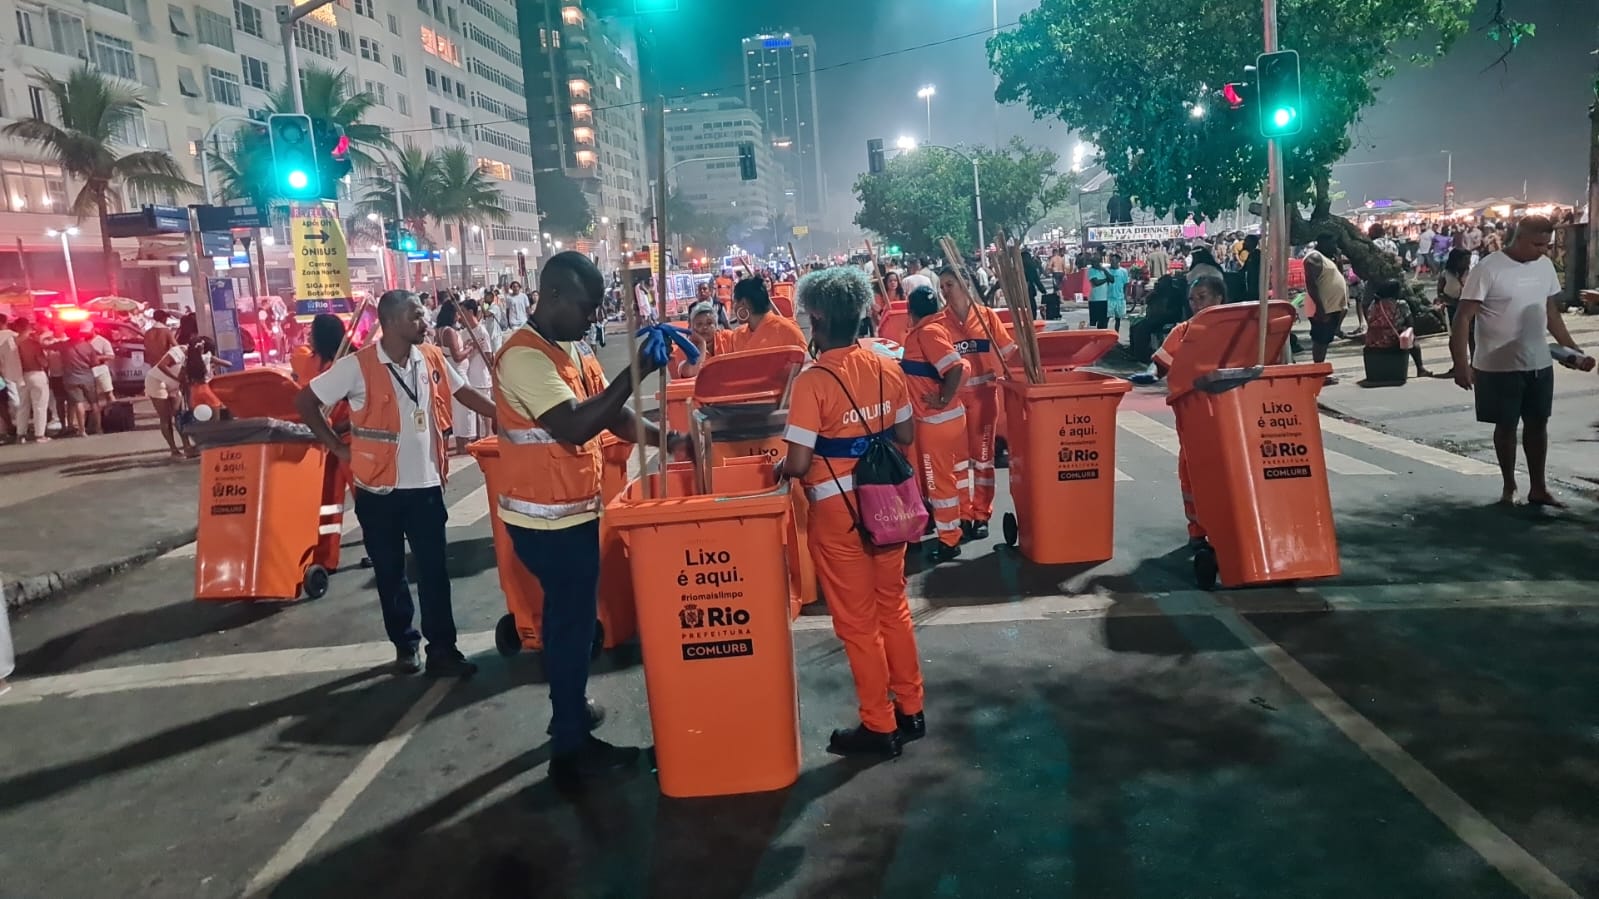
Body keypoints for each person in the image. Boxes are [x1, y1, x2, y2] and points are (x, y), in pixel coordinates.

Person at [492, 252, 680, 783]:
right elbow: (575, 426)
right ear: (551, 296)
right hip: (546, 524)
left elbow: (610, 415)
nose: (593, 318)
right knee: (573, 628)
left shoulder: (567, 348)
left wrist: (669, 437)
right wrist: (634, 373)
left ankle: (568, 712)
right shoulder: (524, 359)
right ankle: (572, 749)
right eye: (586, 306)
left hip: (568, 513)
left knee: (567, 624)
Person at [295, 290, 497, 677]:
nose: (424, 323)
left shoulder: (431, 357)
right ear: (389, 323)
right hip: (378, 490)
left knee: (435, 573)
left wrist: (503, 412)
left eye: (422, 316)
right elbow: (306, 402)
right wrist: (337, 447)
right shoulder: (358, 366)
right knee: (390, 573)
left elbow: (463, 392)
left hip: (425, 487)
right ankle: (405, 644)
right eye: (415, 317)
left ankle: (443, 649)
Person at [780, 266, 924, 758]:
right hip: (887, 510)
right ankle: (911, 708)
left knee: (859, 625)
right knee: (894, 608)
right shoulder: (887, 365)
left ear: (818, 318)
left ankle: (879, 726)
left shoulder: (812, 382)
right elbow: (904, 436)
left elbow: (799, 464)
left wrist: (789, 461)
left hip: (839, 519)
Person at [1449, 216, 1591, 507]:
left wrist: (1573, 350)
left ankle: (1538, 487)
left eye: (1546, 244)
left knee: (1538, 425)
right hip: (1497, 365)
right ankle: (1509, 485)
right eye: (1537, 244)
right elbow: (1463, 317)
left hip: (1538, 363)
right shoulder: (1488, 269)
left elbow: (1551, 313)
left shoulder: (1544, 266)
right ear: (1519, 238)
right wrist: (1461, 363)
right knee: (1505, 426)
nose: (1543, 250)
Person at [938, 265, 1017, 541]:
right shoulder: (940, 323)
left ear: (966, 284)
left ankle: (982, 513)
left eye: (950, 284)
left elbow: (1010, 354)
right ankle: (964, 514)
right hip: (955, 404)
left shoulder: (987, 318)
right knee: (958, 464)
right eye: (943, 285)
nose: (945, 290)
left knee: (983, 460)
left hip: (985, 398)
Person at [1154, 275, 1227, 546]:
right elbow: (1160, 364)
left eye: (1203, 297)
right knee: (1192, 468)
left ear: (1219, 298)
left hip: (1230, 412)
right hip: (1192, 413)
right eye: (1192, 299)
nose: (1197, 304)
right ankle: (1197, 527)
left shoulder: (1238, 327)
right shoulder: (1182, 332)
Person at [899, 284, 968, 563]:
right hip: (944, 419)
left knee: (938, 483)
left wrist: (942, 398)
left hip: (936, 420)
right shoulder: (933, 329)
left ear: (910, 311)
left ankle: (950, 540)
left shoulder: (927, 333)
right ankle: (952, 526)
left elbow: (955, 367)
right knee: (947, 478)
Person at [1301, 234, 1350, 383]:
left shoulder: (1327, 259)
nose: (1335, 247)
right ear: (1322, 243)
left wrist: (1338, 259)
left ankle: (1321, 372)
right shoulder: (1314, 258)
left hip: (1331, 306)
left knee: (1325, 340)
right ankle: (1319, 374)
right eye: (1332, 243)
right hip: (1322, 307)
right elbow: (1312, 285)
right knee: (1320, 340)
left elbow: (1339, 276)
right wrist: (1320, 307)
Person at [433, 300, 479, 454]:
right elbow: (457, 356)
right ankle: (463, 445)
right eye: (457, 313)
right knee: (464, 410)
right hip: (457, 371)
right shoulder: (449, 332)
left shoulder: (440, 330)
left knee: (459, 410)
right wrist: (469, 348)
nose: (459, 316)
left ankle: (462, 444)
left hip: (452, 371)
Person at [726, 277, 806, 354]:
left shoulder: (787, 331)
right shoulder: (789, 330)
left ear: (744, 303)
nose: (734, 307)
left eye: (735, 302)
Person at [673, 302, 731, 379]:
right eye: (699, 324)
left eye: (709, 323)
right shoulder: (683, 349)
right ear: (692, 328)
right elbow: (691, 373)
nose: (705, 327)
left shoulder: (728, 337)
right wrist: (702, 344)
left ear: (716, 326)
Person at [0, 315, 21, 443]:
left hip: (5, 373)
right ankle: (18, 426)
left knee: (9, 402)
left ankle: (12, 427)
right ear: (6, 322)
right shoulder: (13, 335)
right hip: (20, 371)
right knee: (18, 400)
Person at [1106, 254, 1130, 333]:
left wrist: (1125, 296)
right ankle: (1105, 333)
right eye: (1111, 261)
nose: (1112, 262)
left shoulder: (1123, 271)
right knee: (1107, 318)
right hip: (1109, 298)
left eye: (1113, 261)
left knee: (1118, 319)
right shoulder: (1107, 271)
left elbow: (1126, 284)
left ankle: (1116, 334)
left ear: (1118, 261)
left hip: (1119, 298)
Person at [1086, 256, 1111, 329]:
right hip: (1095, 299)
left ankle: (1103, 336)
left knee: (1104, 321)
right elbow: (1096, 282)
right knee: (1094, 321)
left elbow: (1112, 279)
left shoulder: (1104, 270)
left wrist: (1104, 270)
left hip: (1105, 298)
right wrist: (1106, 280)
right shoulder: (1091, 270)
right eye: (1094, 262)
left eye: (1097, 262)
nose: (1095, 264)